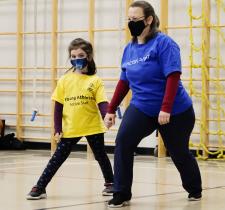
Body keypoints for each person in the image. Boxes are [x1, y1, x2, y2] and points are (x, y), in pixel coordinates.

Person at [104, 1, 202, 208]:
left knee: (178, 152)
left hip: (175, 110)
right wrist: (111, 109)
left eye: (136, 19)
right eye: (129, 20)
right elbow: (124, 81)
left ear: (149, 20)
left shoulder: (164, 43)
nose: (131, 23)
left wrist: (166, 108)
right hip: (142, 107)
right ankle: (121, 193)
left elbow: (173, 76)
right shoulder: (129, 49)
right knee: (123, 142)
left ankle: (194, 188)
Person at [26, 38, 114, 200]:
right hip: (70, 128)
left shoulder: (95, 80)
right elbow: (58, 105)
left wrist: (106, 116)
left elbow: (102, 103)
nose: (76, 59)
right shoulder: (64, 79)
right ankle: (40, 186)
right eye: (73, 56)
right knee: (57, 158)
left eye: (80, 55)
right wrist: (57, 127)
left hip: (92, 126)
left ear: (88, 56)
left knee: (100, 155)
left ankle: (110, 183)